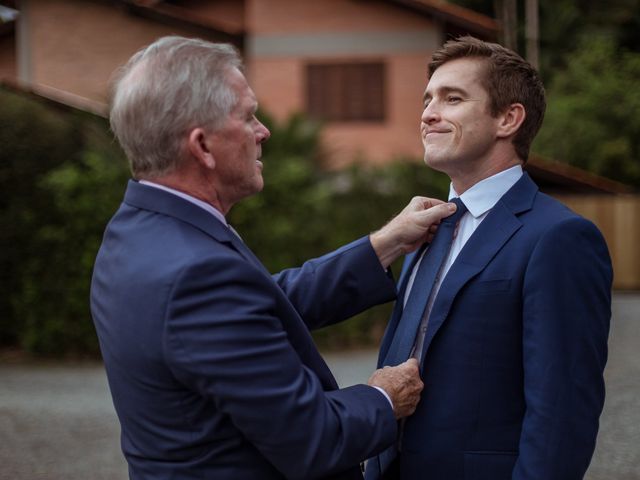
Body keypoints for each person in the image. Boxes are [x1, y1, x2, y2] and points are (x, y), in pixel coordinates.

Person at [90, 36, 458, 480]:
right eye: (248, 117)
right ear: (202, 146)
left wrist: (384, 245)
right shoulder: (197, 274)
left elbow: (255, 308)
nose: (264, 131)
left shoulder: (139, 227)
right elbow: (313, 439)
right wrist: (382, 397)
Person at [365, 36, 613, 480]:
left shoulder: (559, 237)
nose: (427, 114)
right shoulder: (423, 229)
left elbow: (562, 413)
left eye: (452, 98)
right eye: (428, 100)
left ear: (508, 119)